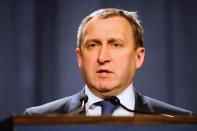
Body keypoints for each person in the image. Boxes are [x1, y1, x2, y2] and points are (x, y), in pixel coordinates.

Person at [24, 8, 192, 116]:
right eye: (93, 45)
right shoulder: (38, 119)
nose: (103, 57)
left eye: (116, 44)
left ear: (138, 57)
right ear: (80, 58)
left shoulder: (178, 121)